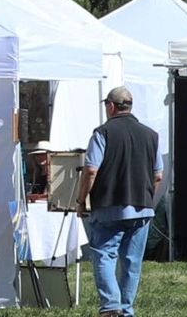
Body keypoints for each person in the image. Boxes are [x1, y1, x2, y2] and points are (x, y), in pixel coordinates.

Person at [76, 86, 161, 317]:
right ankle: (126, 310)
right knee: (132, 262)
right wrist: (146, 197)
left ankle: (110, 306)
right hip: (142, 208)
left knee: (104, 254)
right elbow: (158, 175)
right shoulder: (151, 135)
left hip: (109, 205)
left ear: (111, 106)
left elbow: (91, 170)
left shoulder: (102, 133)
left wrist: (81, 200)